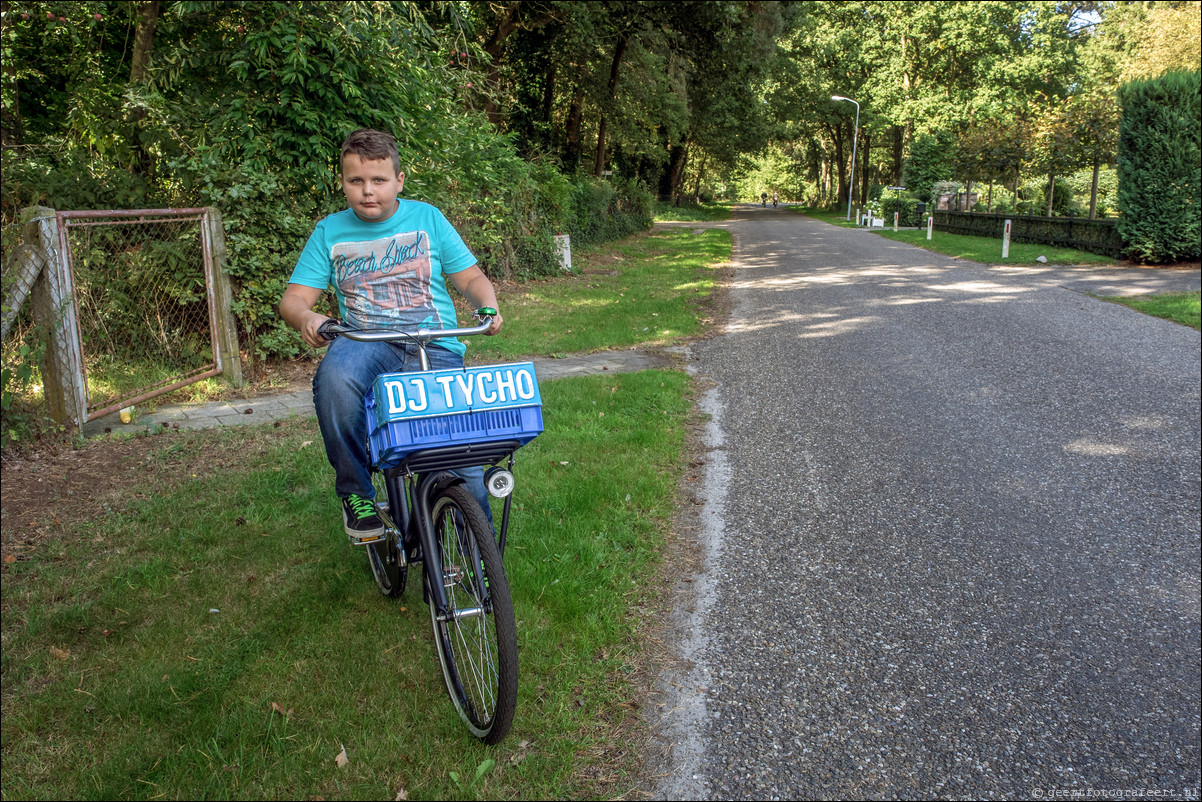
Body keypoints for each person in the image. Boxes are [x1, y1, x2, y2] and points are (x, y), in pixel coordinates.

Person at [279, 128, 503, 542]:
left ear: (399, 180)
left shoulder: (427, 218)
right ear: (342, 182)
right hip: (366, 343)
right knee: (334, 381)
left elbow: (470, 276)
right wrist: (307, 317)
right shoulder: (329, 231)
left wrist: (485, 304)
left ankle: (483, 564)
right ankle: (357, 494)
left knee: (464, 465)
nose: (368, 191)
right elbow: (293, 299)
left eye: (379, 180)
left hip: (433, 343)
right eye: (356, 181)